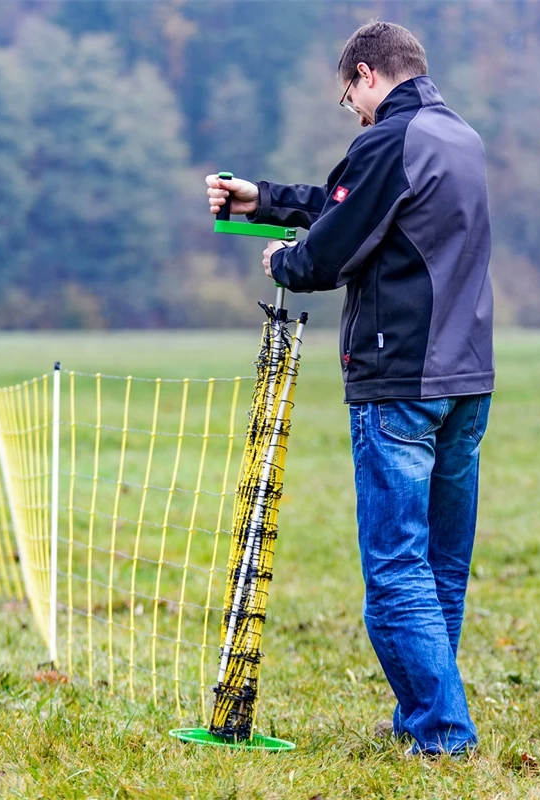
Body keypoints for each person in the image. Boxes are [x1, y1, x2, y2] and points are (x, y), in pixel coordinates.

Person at [206, 20, 493, 756]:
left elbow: (330, 248)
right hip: (466, 381)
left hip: (399, 379)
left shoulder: (387, 141)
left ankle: (443, 736)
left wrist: (282, 260)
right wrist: (260, 199)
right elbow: (354, 204)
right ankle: (420, 722)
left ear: (367, 75)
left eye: (348, 97)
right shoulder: (460, 138)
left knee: (396, 576)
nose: (352, 111)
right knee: (438, 568)